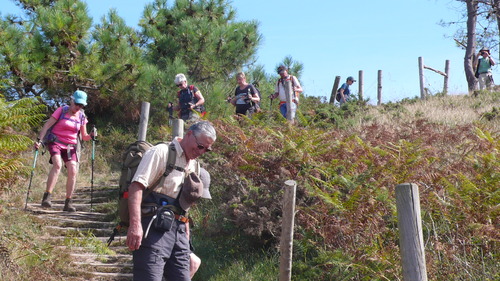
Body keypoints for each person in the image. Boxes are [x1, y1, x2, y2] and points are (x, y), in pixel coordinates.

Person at [126, 121, 216, 281]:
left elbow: (184, 203)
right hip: (153, 229)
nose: (202, 151)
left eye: (207, 149)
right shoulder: (161, 152)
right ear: (189, 134)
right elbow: (136, 187)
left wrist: (186, 238)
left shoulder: (195, 165)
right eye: (200, 146)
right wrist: (135, 225)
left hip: (179, 232)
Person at [34, 90, 95, 212]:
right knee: (57, 165)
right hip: (56, 142)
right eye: (77, 104)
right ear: (72, 101)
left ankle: (68, 202)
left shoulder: (82, 117)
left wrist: (92, 135)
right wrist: (39, 141)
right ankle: (47, 197)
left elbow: (84, 137)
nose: (78, 107)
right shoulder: (61, 110)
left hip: (70, 146)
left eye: (82, 105)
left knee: (73, 170)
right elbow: (47, 125)